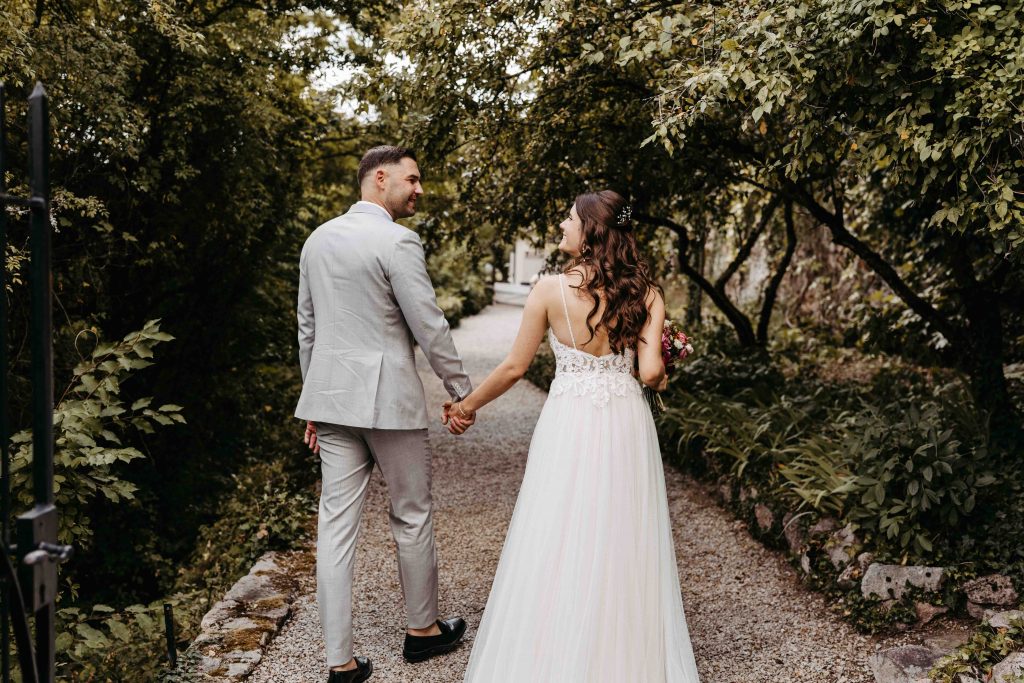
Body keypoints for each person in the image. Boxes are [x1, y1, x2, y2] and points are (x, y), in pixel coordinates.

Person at [444, 190, 703, 682]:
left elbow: (515, 367)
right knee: (623, 531)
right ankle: (622, 654)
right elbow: (650, 373)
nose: (562, 224)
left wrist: (466, 407)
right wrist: (663, 374)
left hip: (570, 420)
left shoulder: (548, 291)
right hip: (625, 421)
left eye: (569, 218)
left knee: (558, 526)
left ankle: (555, 647)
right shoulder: (647, 294)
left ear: (590, 232)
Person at [296, 145, 475, 683]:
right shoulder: (398, 240)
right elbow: (429, 323)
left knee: (334, 527)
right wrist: (461, 391)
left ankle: (340, 664)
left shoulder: (317, 240)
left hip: (331, 400)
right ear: (380, 177)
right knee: (411, 514)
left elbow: (307, 329)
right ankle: (422, 633)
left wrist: (313, 402)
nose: (419, 189)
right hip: (389, 401)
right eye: (412, 179)